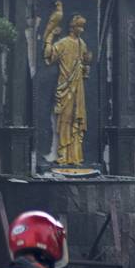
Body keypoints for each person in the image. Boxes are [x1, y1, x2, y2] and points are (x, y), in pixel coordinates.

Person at [43, 13, 92, 166]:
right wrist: (50, 36)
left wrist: (85, 67)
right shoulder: (64, 43)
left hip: (78, 87)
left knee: (77, 118)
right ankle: (63, 153)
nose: (82, 30)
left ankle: (75, 155)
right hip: (65, 86)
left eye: (83, 27)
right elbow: (48, 55)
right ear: (72, 27)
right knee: (65, 119)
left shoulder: (81, 43)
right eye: (79, 26)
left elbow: (83, 61)